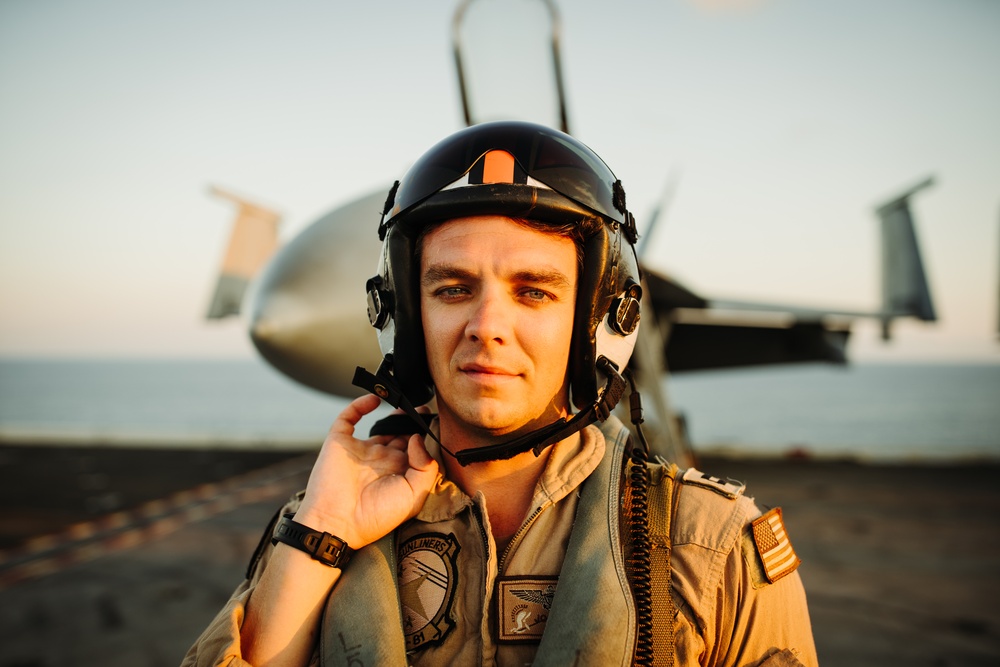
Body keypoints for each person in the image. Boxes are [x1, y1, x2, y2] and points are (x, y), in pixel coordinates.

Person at [183, 121, 817, 667]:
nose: (486, 325)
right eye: (452, 289)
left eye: (533, 292)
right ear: (404, 319)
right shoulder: (318, 529)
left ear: (600, 320)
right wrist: (320, 536)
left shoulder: (713, 547)